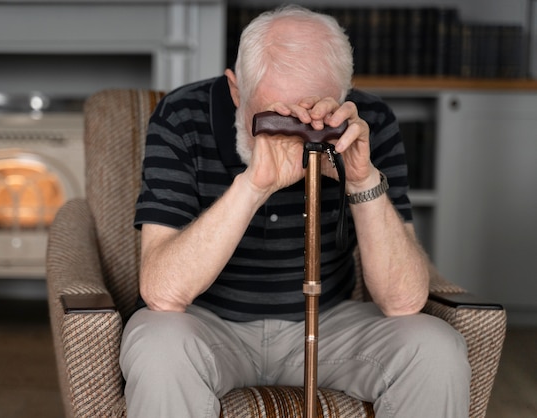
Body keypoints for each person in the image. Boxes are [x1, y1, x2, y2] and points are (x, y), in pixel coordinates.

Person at [120, 5, 470, 418]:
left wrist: (361, 180)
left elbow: (404, 301)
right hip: (208, 324)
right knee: (157, 346)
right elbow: (161, 292)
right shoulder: (182, 117)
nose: (294, 135)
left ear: (343, 96)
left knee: (435, 350)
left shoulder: (368, 123)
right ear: (236, 91)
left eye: (312, 118)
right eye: (273, 117)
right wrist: (253, 186)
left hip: (329, 323)